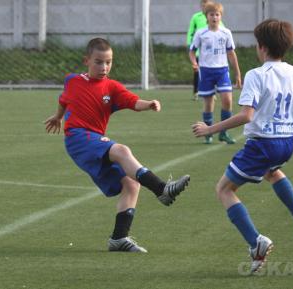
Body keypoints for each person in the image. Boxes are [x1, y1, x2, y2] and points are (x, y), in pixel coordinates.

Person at [192, 19, 293, 273]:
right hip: (287, 142)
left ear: (262, 47)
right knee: (272, 171)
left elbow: (247, 115)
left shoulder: (256, 75)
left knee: (224, 189)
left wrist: (210, 129)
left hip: (262, 144)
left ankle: (256, 242)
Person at [44, 38, 190, 253]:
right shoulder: (72, 80)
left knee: (131, 185)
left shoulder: (112, 87)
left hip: (93, 141)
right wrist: (58, 117)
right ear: (87, 61)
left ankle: (119, 238)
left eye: (108, 62)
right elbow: (64, 99)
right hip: (77, 138)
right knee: (122, 151)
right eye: (99, 62)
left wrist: (148, 104)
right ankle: (162, 189)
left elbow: (133, 102)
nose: (104, 67)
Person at [189, 1, 241, 145]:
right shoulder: (201, 33)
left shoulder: (226, 33)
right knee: (208, 103)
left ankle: (224, 133)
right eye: (212, 14)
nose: (215, 17)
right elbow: (192, 51)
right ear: (207, 16)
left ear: (221, 16)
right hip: (206, 71)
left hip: (222, 70)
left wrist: (237, 73)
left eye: (217, 15)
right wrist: (194, 62)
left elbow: (231, 53)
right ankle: (208, 133)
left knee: (227, 100)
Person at [186, 0, 220, 101]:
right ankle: (196, 92)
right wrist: (189, 44)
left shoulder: (215, 16)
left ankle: (212, 92)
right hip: (198, 50)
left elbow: (221, 28)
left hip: (212, 51)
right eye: (204, 4)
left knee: (212, 71)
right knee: (197, 71)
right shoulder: (196, 17)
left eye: (207, 4)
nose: (205, 6)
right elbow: (191, 31)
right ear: (201, 5)